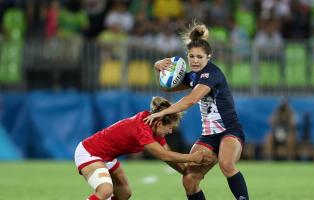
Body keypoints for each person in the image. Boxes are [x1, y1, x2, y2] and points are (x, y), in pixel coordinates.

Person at [144, 22, 249, 200]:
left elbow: (190, 100)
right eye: (191, 56)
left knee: (226, 164)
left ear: (209, 57)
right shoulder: (193, 75)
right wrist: (158, 67)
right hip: (209, 136)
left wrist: (161, 112)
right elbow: (168, 88)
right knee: (189, 179)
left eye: (200, 57)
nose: (195, 60)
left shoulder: (211, 73)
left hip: (229, 131)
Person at [74, 96, 213, 200]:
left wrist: (188, 173)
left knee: (124, 193)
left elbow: (168, 154)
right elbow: (163, 155)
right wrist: (192, 158)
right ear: (159, 123)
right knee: (105, 190)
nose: (171, 132)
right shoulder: (141, 128)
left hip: (107, 157)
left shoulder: (153, 125)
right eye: (170, 128)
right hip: (90, 153)